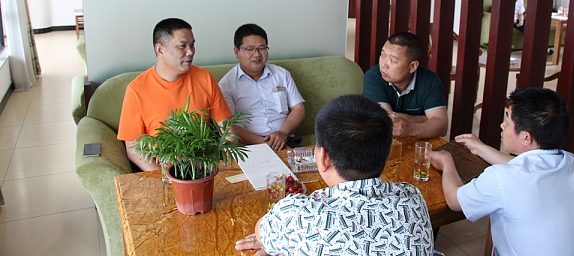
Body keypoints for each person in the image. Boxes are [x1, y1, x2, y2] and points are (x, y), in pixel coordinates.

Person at [235, 94, 434, 255]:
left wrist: (284, 238)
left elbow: (261, 231)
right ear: (385, 151)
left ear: (324, 158)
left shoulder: (297, 215)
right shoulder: (412, 198)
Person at [430, 88, 574, 256]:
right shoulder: (573, 164)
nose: (502, 125)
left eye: (507, 120)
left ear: (526, 137)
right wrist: (480, 148)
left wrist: (447, 162)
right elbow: (524, 170)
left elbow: (455, 201)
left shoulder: (501, 177)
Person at [117, 18, 232, 171]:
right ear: (160, 49)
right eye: (182, 46)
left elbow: (227, 129)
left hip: (205, 169)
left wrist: (226, 168)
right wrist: (165, 177)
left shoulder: (204, 78)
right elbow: (134, 149)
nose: (190, 52)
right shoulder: (137, 90)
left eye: (192, 45)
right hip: (163, 171)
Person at [219, 23, 305, 151]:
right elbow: (229, 125)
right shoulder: (226, 85)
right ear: (237, 52)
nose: (257, 54)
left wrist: (282, 133)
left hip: (285, 139)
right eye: (250, 49)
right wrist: (269, 145)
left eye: (262, 48)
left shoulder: (281, 74)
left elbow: (298, 108)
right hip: (250, 146)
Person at [363, 32, 448, 138]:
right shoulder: (373, 76)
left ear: (412, 66)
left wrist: (411, 129)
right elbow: (385, 120)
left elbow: (442, 126)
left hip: (419, 143)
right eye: (383, 55)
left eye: (393, 60)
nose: (384, 64)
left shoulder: (430, 80)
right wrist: (425, 119)